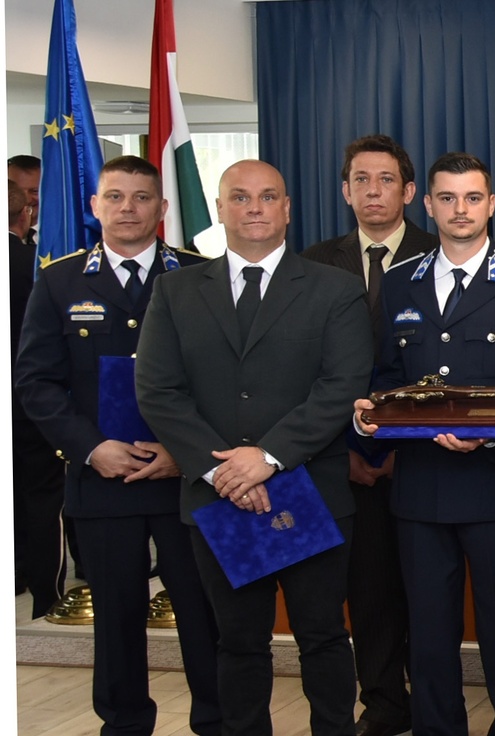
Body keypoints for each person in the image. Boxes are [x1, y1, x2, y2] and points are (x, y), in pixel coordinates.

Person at [135, 159, 374, 736]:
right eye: (239, 197)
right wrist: (223, 471)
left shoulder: (336, 289)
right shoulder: (175, 290)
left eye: (268, 196)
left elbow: (341, 385)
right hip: (219, 496)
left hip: (309, 491)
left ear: (287, 208)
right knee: (239, 642)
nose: (255, 208)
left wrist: (264, 458)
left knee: (323, 636)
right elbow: (157, 390)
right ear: (220, 210)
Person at [347, 152, 495, 736]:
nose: (459, 210)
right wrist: (372, 420)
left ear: (492, 204)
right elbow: (388, 376)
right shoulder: (399, 282)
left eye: (471, 198)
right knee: (429, 631)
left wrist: (491, 435)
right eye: (447, 198)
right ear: (428, 203)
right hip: (422, 487)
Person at [15, 155, 223, 735]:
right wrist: (90, 449)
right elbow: (36, 381)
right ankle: (124, 725)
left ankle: (218, 722)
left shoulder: (200, 276)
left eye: (141, 197)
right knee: (116, 619)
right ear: (94, 206)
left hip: (187, 481)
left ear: (162, 207)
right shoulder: (59, 281)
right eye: (114, 196)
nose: (127, 208)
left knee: (204, 613)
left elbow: (225, 380)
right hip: (103, 481)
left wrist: (186, 452)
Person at [300, 133, 437, 736]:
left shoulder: (443, 251)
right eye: (361, 180)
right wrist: (349, 449)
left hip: (426, 456)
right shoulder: (313, 263)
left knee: (428, 589)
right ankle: (383, 701)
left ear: (408, 191)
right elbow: (304, 369)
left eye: (385, 180)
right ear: (345, 190)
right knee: (368, 588)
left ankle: (432, 699)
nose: (373, 191)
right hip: (342, 458)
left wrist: (402, 445)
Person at [11, 153, 68, 619]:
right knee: (40, 495)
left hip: (31, 396)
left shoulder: (39, 258)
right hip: (30, 396)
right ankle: (44, 593)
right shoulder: (34, 265)